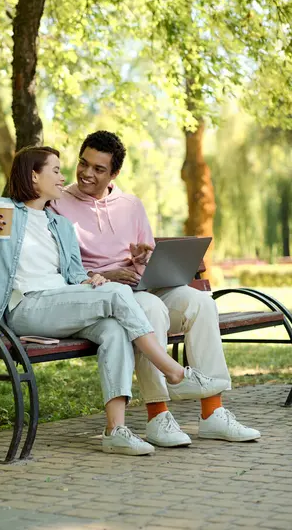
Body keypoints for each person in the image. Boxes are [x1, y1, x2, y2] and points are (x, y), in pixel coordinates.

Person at [0, 146, 229, 456]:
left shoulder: (59, 224)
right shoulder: (3, 209)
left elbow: (74, 273)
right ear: (34, 176)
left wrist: (92, 280)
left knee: (114, 329)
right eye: (57, 171)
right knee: (118, 293)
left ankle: (115, 430)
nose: (64, 177)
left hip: (58, 304)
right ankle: (175, 373)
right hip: (24, 308)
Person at [51, 131, 261, 446]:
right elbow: (59, 266)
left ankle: (212, 412)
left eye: (98, 169)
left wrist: (144, 259)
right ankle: (158, 416)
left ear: (114, 174)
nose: (87, 174)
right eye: (84, 163)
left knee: (200, 303)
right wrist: (108, 275)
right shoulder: (58, 203)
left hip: (141, 285)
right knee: (149, 310)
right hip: (100, 296)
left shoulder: (131, 205)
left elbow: (146, 254)